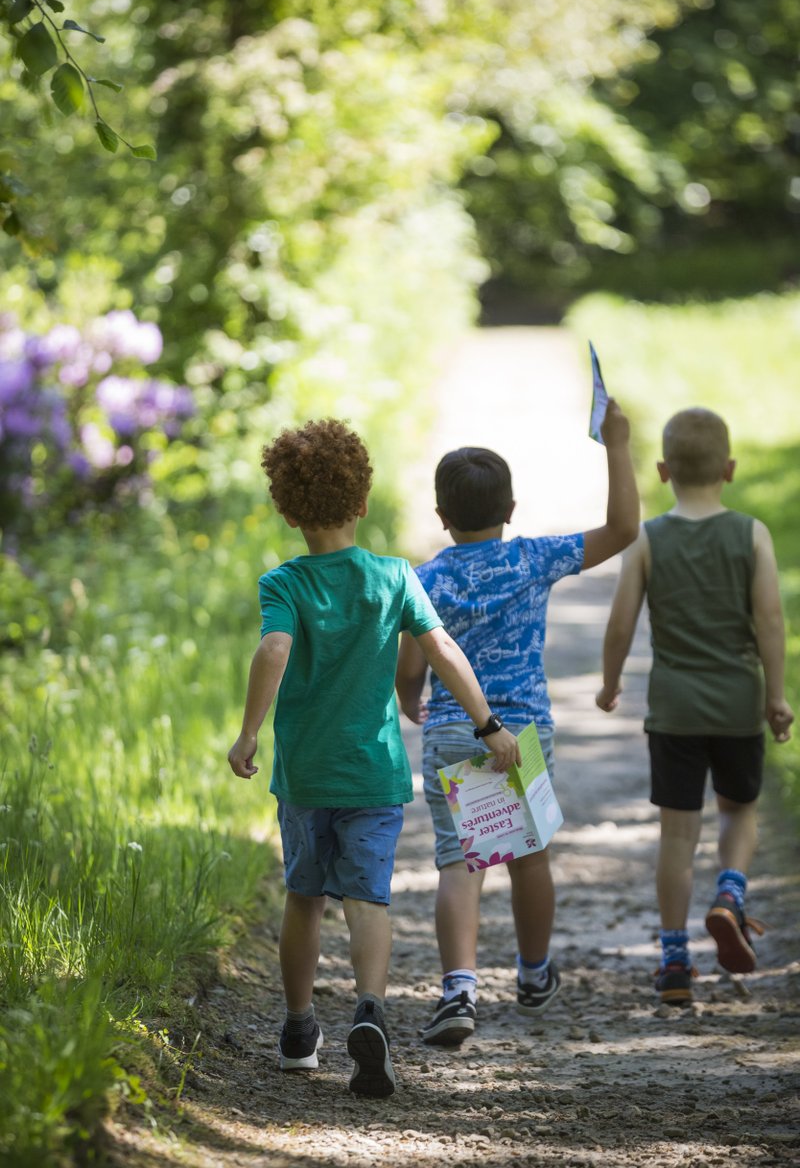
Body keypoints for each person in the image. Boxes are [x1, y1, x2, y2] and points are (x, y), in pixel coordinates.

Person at [227, 417, 520, 1097]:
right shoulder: (393, 576)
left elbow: (274, 650)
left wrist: (248, 733)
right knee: (367, 899)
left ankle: (300, 1028)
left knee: (304, 898)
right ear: (361, 502)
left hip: (304, 774)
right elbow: (443, 650)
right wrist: (488, 725)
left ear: (288, 508)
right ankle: (370, 1011)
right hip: (374, 773)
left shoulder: (284, 584)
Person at [395, 400, 638, 1046]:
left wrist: (408, 698)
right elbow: (622, 529)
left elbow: (410, 659)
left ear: (442, 519)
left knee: (459, 864)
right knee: (529, 860)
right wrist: (617, 444)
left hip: (452, 730)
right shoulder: (534, 558)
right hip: (521, 733)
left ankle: (460, 991)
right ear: (511, 510)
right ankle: (533, 974)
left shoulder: (426, 578)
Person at [595, 407, 794, 1005]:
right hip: (737, 702)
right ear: (730, 469)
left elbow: (621, 623)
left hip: (674, 708)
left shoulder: (649, 538)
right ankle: (730, 893)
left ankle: (675, 962)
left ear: (662, 471)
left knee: (677, 837)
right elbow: (770, 620)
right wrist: (776, 696)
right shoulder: (751, 533)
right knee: (738, 811)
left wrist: (609, 684)